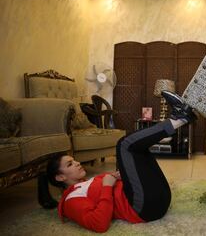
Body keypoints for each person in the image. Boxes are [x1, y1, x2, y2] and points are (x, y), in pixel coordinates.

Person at [41, 91, 197, 233]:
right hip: (144, 208)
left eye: (73, 160)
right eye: (69, 164)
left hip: (159, 199)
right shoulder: (70, 200)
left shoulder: (85, 184)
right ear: (60, 177)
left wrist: (118, 176)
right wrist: (107, 186)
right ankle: (180, 118)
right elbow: (99, 224)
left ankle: (180, 118)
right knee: (124, 145)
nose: (76, 163)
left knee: (138, 147)